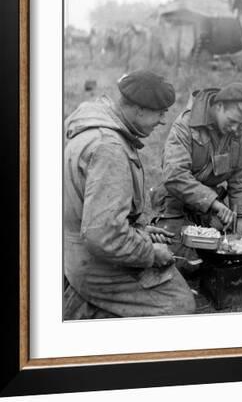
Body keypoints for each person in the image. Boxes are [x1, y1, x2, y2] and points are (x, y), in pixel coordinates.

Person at [63, 70, 196, 319]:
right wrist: (149, 252)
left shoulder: (96, 128)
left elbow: (93, 213)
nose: (162, 120)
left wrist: (139, 232)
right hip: (93, 264)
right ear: (139, 110)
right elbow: (103, 236)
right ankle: (87, 312)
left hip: (78, 250)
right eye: (159, 112)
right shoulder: (109, 149)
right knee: (180, 305)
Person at [151, 82, 242, 270]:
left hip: (208, 206)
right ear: (219, 106)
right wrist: (214, 203)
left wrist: (239, 217)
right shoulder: (185, 125)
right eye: (231, 121)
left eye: (240, 124)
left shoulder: (239, 133)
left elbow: (239, 180)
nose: (234, 129)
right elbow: (175, 175)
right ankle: (174, 225)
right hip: (175, 200)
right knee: (184, 264)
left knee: (225, 248)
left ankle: (202, 224)